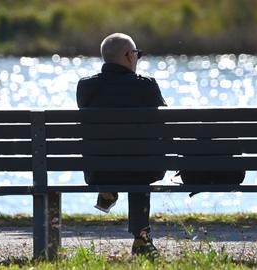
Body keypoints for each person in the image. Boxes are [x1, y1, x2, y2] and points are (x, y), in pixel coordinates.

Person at [76, 33, 166, 257]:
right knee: (139, 162)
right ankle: (141, 239)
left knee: (116, 152)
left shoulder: (86, 87)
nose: (137, 58)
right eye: (137, 54)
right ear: (128, 56)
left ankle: (107, 189)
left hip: (99, 170)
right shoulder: (146, 86)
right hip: (142, 169)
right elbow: (165, 123)